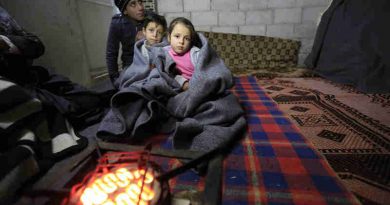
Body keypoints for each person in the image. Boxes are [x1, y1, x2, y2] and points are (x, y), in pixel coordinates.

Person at [106, 0, 149, 88]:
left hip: (151, 63)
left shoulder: (151, 19)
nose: (140, 8)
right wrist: (115, 79)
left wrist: (147, 40)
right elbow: (111, 53)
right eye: (133, 4)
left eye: (140, 2)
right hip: (130, 64)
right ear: (125, 10)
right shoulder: (117, 23)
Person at [164, 17, 200, 91]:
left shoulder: (195, 53)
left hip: (196, 86)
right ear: (169, 37)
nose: (181, 42)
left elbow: (207, 71)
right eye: (177, 36)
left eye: (186, 38)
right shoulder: (164, 53)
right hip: (175, 86)